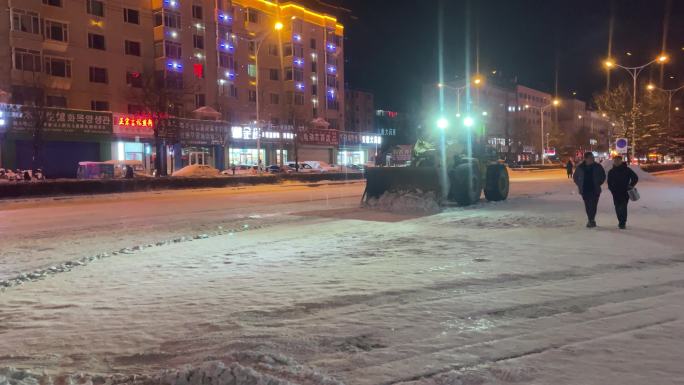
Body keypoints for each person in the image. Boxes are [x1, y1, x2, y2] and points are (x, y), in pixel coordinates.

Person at [573, 152, 606, 228]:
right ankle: (591, 220)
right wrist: (580, 184)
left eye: (593, 158)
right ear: (586, 159)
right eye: (591, 158)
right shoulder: (580, 167)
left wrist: (599, 183)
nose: (592, 159)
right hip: (585, 190)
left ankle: (591, 220)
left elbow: (603, 176)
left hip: (595, 189)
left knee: (593, 205)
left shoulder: (597, 166)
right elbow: (575, 177)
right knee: (588, 206)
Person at [607, 156, 638, 229]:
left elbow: (635, 178)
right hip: (615, 193)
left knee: (623, 207)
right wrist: (611, 189)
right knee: (617, 207)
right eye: (615, 161)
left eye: (618, 160)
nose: (617, 162)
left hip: (625, 192)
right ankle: (620, 221)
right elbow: (609, 182)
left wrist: (630, 185)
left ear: (621, 161)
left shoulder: (627, 170)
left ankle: (622, 222)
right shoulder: (611, 171)